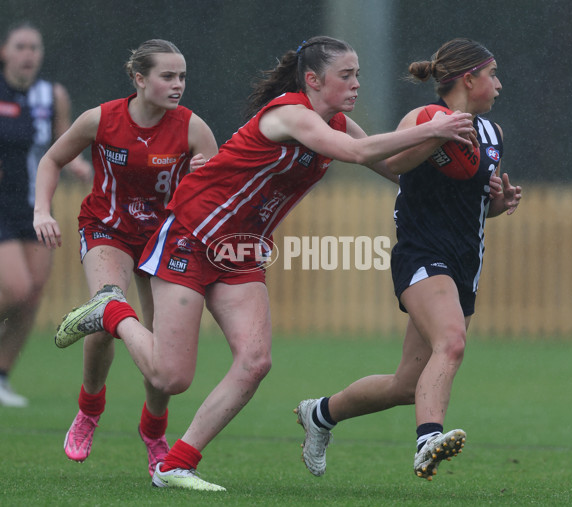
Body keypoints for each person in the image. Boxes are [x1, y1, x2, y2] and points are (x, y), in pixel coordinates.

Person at [51, 36, 476, 492]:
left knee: (255, 362)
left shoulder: (335, 122)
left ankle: (176, 463)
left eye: (358, 75)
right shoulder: (290, 113)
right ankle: (109, 311)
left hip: (240, 249)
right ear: (313, 79)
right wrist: (434, 129)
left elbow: (388, 163)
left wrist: (475, 190)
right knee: (171, 377)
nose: (356, 84)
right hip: (191, 235)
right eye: (346, 75)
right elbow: (355, 153)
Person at [293, 38, 522, 481]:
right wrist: (436, 135)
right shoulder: (423, 119)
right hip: (422, 253)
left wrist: (500, 199)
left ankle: (319, 414)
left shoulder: (491, 134)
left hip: (465, 264)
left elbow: (479, 201)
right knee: (452, 341)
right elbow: (396, 163)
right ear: (468, 79)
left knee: (406, 384)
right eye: (492, 75)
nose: (498, 84)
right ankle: (427, 440)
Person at [34, 39, 218, 476]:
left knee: (161, 344)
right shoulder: (100, 118)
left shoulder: (193, 128)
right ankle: (89, 410)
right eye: (167, 76)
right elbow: (51, 159)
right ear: (139, 79)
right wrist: (42, 210)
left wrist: (204, 176)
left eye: (183, 77)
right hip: (107, 228)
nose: (178, 85)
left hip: (164, 240)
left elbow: (214, 187)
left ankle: (154, 432)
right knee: (105, 314)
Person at [0, 21, 92, 407]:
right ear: (5, 52)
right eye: (20, 47)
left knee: (33, 294)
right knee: (16, 287)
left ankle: (2, 376)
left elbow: (62, 142)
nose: (28, 55)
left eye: (34, 48)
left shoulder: (51, 95)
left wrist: (79, 166)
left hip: (36, 206)